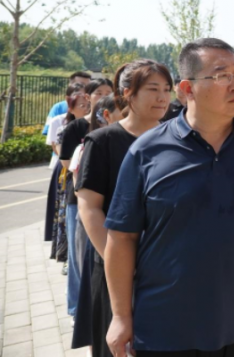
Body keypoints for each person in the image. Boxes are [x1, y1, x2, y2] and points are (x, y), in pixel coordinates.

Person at [103, 39, 234, 357]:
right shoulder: (147, 151)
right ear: (187, 89)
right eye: (222, 75)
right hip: (167, 327)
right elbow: (121, 237)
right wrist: (120, 316)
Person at [76, 60, 173, 357]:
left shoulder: (176, 139)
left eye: (167, 89)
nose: (162, 98)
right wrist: (120, 263)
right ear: (128, 93)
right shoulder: (102, 141)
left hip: (166, 267)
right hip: (115, 267)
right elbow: (90, 208)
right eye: (153, 89)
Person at [71, 95, 126, 350]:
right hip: (108, 247)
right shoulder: (98, 143)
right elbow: (86, 202)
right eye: (124, 112)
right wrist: (114, 258)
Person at [60, 79, 109, 318]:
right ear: (88, 97)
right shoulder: (76, 127)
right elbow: (66, 163)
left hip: (106, 198)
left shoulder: (114, 124)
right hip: (78, 198)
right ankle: (75, 309)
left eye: (109, 92)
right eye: (99, 92)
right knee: (77, 254)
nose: (104, 96)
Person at [45, 82, 87, 260]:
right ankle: (66, 255)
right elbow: (58, 150)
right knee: (67, 215)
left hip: (81, 172)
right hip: (67, 173)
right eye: (81, 104)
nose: (86, 107)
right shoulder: (62, 124)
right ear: (70, 105)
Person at [43, 71, 91, 136]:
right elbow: (51, 133)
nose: (85, 88)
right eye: (80, 84)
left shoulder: (94, 107)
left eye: (88, 86)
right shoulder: (58, 107)